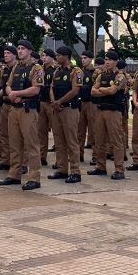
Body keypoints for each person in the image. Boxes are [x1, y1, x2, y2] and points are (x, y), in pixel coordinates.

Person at [0, 40, 45, 190]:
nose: (19, 51)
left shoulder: (36, 68)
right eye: (18, 48)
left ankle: (34, 178)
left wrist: (17, 93)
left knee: (31, 145)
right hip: (14, 108)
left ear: (30, 51)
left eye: (23, 48)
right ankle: (14, 174)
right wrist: (11, 93)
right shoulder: (16, 67)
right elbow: (8, 85)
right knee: (14, 144)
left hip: (27, 110)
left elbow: (36, 89)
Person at [91, 50, 129, 181]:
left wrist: (101, 90)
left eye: (110, 60)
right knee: (99, 140)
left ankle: (119, 169)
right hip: (101, 110)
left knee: (116, 140)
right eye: (106, 60)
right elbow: (92, 91)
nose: (107, 62)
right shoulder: (101, 76)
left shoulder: (120, 76)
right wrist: (104, 90)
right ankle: (100, 167)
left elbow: (113, 91)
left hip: (114, 111)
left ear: (116, 62)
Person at [47, 46, 83, 183]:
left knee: (71, 141)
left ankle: (75, 171)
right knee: (59, 141)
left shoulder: (76, 71)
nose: (57, 57)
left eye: (59, 55)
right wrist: (54, 102)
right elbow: (51, 88)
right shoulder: (57, 71)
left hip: (69, 109)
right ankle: (62, 169)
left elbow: (75, 90)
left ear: (66, 56)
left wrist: (60, 101)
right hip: (57, 109)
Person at [37, 49, 58, 165]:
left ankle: (59, 160)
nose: (44, 58)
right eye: (43, 56)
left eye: (46, 56)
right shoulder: (40, 69)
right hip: (41, 102)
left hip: (51, 104)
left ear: (51, 57)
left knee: (56, 132)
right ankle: (42, 157)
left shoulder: (55, 70)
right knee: (41, 132)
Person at [77, 50, 97, 163]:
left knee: (94, 131)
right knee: (80, 131)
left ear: (91, 59)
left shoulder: (96, 72)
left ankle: (95, 156)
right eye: (82, 58)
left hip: (92, 103)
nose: (83, 60)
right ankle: (79, 154)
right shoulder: (80, 72)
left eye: (85, 58)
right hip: (81, 102)